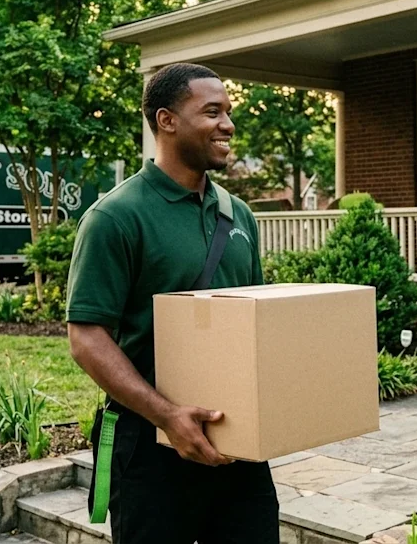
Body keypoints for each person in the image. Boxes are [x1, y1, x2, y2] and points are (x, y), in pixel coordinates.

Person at [65, 63, 276, 543]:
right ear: (167, 120)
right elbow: (85, 338)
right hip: (150, 445)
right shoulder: (116, 217)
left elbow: (253, 318)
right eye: (212, 112)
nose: (228, 125)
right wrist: (167, 415)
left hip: (237, 446)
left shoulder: (237, 213)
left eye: (228, 112)